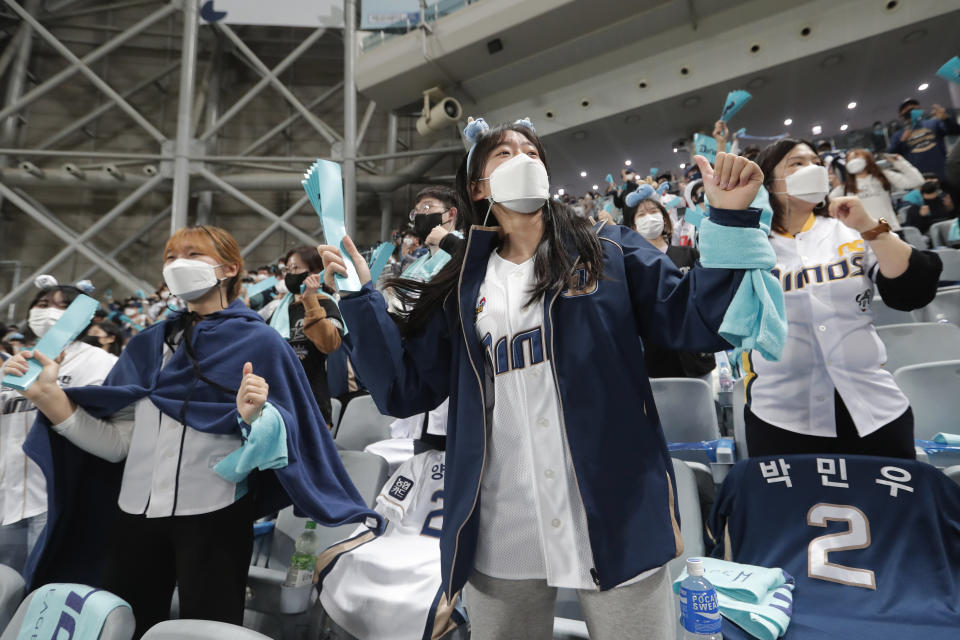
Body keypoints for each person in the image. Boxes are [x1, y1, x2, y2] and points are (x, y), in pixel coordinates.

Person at [319, 116, 773, 640]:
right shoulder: (462, 284)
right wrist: (358, 297)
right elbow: (404, 391)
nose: (524, 159)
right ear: (478, 187)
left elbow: (696, 319)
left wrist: (731, 220)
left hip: (613, 508)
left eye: (532, 151)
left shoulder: (607, 247)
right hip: (499, 521)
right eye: (504, 154)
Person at [2, 225, 380, 639]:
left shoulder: (260, 341)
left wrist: (256, 417)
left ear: (229, 268)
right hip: (133, 515)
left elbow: (290, 437)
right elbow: (116, 446)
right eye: (169, 257)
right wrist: (48, 396)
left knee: (210, 630)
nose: (178, 264)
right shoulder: (146, 345)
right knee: (122, 625)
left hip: (213, 515)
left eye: (193, 255)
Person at [743, 138, 942, 459]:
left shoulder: (849, 230)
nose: (813, 169)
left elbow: (912, 291)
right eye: (797, 163)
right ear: (770, 182)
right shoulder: (749, 246)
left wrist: (868, 227)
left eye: (816, 161)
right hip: (783, 417)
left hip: (873, 409)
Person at [0, 284, 118, 574]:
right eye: (40, 303)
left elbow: (103, 429)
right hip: (8, 498)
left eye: (62, 305)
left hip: (59, 498)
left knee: (46, 590)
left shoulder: (101, 363)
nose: (47, 310)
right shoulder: (14, 365)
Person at [629, 195, 715, 380]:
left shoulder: (689, 254)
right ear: (634, 227)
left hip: (696, 349)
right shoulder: (632, 265)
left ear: (665, 220)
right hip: (658, 355)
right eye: (641, 214)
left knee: (704, 405)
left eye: (653, 212)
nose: (649, 217)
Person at [268, 245, 345, 424]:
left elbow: (330, 343)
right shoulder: (280, 311)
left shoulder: (326, 304)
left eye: (295, 268)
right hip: (280, 400)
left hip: (314, 401)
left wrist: (310, 299)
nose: (289, 274)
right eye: (287, 269)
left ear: (314, 272)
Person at [829, 149, 923, 231]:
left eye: (857, 158)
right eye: (850, 160)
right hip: (862, 233)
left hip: (889, 227)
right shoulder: (845, 187)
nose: (854, 162)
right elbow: (827, 203)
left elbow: (917, 181)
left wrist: (900, 162)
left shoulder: (883, 176)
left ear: (867, 160)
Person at [888, 99, 960, 183]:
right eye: (906, 107)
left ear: (919, 108)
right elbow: (892, 156)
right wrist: (901, 141)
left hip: (944, 175)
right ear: (901, 114)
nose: (910, 108)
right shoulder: (898, 135)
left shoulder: (933, 123)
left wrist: (946, 119)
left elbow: (955, 131)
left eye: (913, 105)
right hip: (920, 180)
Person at [411, 185, 464, 258]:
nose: (419, 214)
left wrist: (447, 240)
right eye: (416, 211)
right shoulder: (423, 259)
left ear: (451, 214)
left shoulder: (467, 250)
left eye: (426, 207)